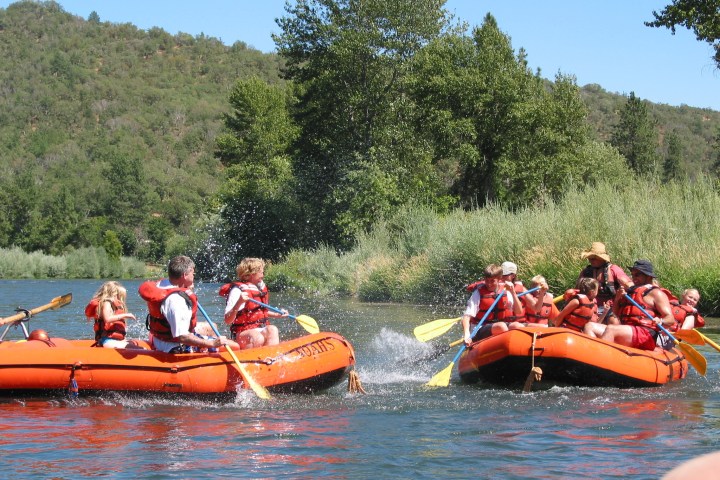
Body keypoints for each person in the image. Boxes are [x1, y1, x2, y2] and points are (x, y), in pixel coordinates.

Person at [139, 255, 239, 353]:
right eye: (192, 273)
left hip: (159, 339)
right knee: (235, 346)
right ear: (184, 275)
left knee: (212, 326)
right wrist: (212, 343)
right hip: (173, 347)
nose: (194, 275)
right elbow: (182, 336)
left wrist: (185, 288)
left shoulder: (162, 285)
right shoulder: (177, 300)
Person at [592, 260, 675, 351]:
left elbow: (670, 319)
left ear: (647, 276)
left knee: (611, 329)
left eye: (637, 275)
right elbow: (615, 314)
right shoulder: (630, 293)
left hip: (645, 334)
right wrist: (617, 298)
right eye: (632, 274)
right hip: (627, 330)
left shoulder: (656, 293)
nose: (633, 278)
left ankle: (600, 358)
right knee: (590, 326)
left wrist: (661, 321)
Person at [220, 257, 285, 349]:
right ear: (250, 274)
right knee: (256, 337)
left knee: (272, 329)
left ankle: (271, 359)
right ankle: (251, 360)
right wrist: (239, 302)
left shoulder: (259, 288)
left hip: (259, 328)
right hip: (242, 333)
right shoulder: (237, 291)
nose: (263, 275)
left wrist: (276, 314)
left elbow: (258, 312)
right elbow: (227, 320)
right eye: (261, 272)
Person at [462, 264, 523, 345]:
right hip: (479, 328)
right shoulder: (478, 293)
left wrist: (513, 292)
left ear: (499, 279)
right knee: (501, 327)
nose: (489, 284)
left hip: (500, 326)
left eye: (492, 281)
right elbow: (466, 317)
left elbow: (518, 312)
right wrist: (467, 334)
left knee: (518, 326)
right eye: (487, 280)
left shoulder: (506, 290)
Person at [577, 242, 633, 325]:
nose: (590, 260)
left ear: (601, 258)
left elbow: (630, 285)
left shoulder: (614, 270)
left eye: (594, 258)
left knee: (613, 321)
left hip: (611, 308)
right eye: (590, 257)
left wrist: (626, 287)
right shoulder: (586, 272)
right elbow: (577, 289)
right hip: (590, 307)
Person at [85, 281, 145, 349]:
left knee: (134, 343)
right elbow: (107, 319)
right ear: (113, 294)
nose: (120, 300)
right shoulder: (106, 303)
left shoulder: (111, 304)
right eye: (119, 296)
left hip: (113, 340)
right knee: (141, 349)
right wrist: (125, 315)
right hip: (107, 341)